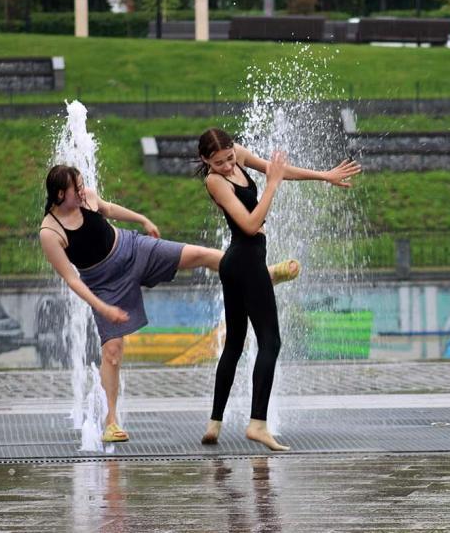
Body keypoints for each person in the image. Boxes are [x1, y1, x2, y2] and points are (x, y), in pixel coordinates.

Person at [38, 165, 299, 444]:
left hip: (132, 249)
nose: (82, 191)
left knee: (200, 254)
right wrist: (103, 307)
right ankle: (111, 421)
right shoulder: (50, 232)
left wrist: (143, 220)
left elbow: (109, 209)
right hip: (104, 283)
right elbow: (73, 280)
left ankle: (261, 275)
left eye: (82, 185)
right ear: (59, 194)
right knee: (112, 351)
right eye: (75, 189)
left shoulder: (87, 197)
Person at [196, 128, 361, 451]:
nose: (228, 166)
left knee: (235, 343)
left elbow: (279, 171)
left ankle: (214, 424)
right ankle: (257, 424)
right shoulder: (214, 181)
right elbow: (250, 224)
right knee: (270, 341)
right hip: (244, 263)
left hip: (237, 264)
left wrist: (323, 176)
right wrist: (270, 186)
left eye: (230, 159)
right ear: (205, 160)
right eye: (218, 163)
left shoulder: (238, 156)